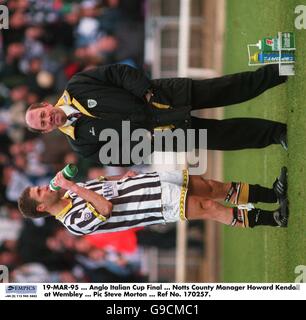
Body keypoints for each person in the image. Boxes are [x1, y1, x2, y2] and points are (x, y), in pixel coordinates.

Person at [24, 63, 288, 166]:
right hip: (160, 136)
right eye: (44, 124)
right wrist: (144, 144)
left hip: (163, 95)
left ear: (45, 106)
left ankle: (280, 71)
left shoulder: (77, 84)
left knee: (227, 89)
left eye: (44, 115)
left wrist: (148, 92)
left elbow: (119, 73)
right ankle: (277, 134)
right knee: (224, 137)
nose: (49, 119)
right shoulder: (80, 144)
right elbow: (118, 157)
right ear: (47, 130)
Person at [18, 167, 289, 235]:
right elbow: (104, 207)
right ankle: (275, 218)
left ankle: (273, 193)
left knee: (212, 187)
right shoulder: (72, 223)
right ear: (41, 207)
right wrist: (72, 186)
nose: (45, 186)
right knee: (210, 208)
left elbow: (101, 183)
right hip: (155, 205)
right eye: (39, 192)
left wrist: (122, 176)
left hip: (148, 182)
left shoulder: (69, 192)